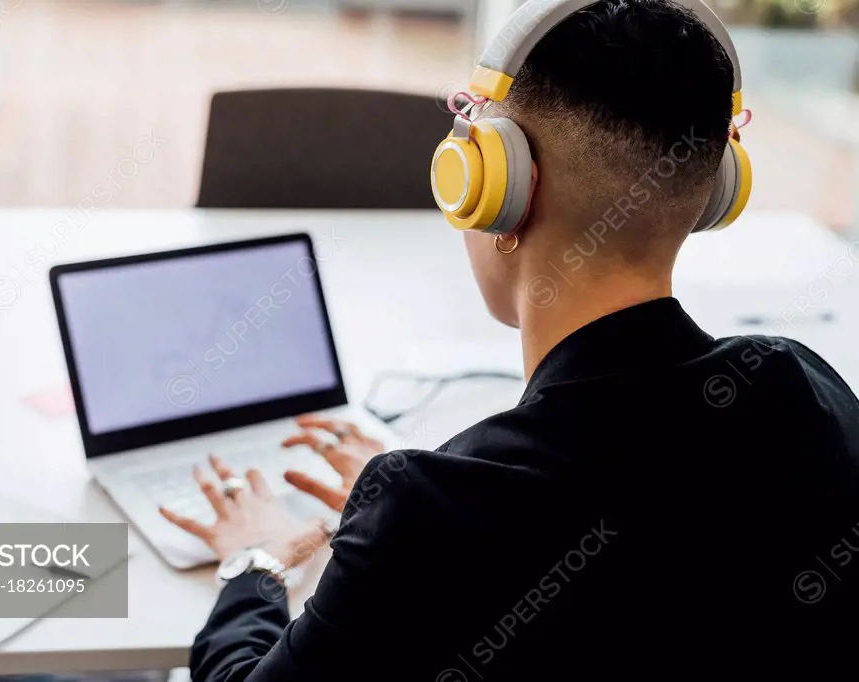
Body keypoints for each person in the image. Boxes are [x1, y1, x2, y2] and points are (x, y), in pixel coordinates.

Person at [160, 0, 859, 677]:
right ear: (713, 189)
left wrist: (255, 562)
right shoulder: (803, 393)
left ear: (502, 192)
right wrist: (407, 512)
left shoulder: (429, 514)